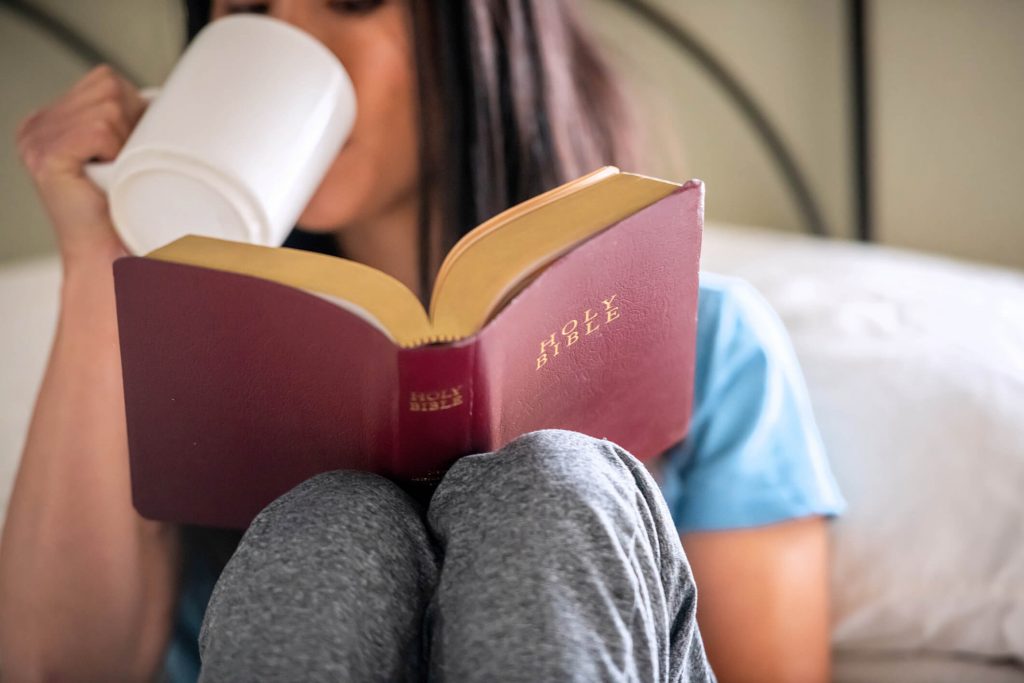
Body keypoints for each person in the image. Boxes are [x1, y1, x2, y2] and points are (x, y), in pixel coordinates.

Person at [0, 0, 846, 681]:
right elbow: (55, 668)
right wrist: (101, 252)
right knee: (331, 520)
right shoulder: (177, 363)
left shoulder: (712, 343)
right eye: (251, 6)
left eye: (351, 1)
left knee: (551, 482)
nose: (292, 34)